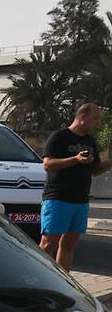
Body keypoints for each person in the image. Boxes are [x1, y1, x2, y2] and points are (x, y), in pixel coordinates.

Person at [40, 103, 107, 270]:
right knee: (48, 244)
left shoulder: (89, 140)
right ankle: (37, 281)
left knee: (69, 245)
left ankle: (65, 283)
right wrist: (75, 159)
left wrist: (110, 163)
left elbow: (95, 169)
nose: (98, 123)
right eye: (95, 118)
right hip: (58, 198)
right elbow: (48, 164)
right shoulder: (60, 136)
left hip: (81, 200)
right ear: (82, 117)